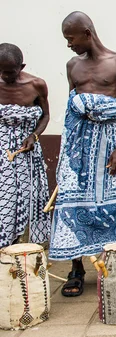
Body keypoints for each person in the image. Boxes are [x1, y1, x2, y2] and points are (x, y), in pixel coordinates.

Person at [49, 12, 116, 296]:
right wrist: (69, 151)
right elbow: (72, 107)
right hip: (78, 148)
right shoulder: (72, 66)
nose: (69, 45)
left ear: (87, 33)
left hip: (112, 145)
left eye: (71, 38)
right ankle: (76, 269)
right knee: (71, 204)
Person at [0, 43, 51, 248]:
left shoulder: (36, 85)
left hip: (27, 152)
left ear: (21, 67)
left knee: (28, 198)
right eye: (2, 71)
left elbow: (46, 115)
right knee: (5, 200)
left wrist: (34, 136)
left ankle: (23, 246)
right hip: (2, 152)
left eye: (10, 72)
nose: (6, 76)